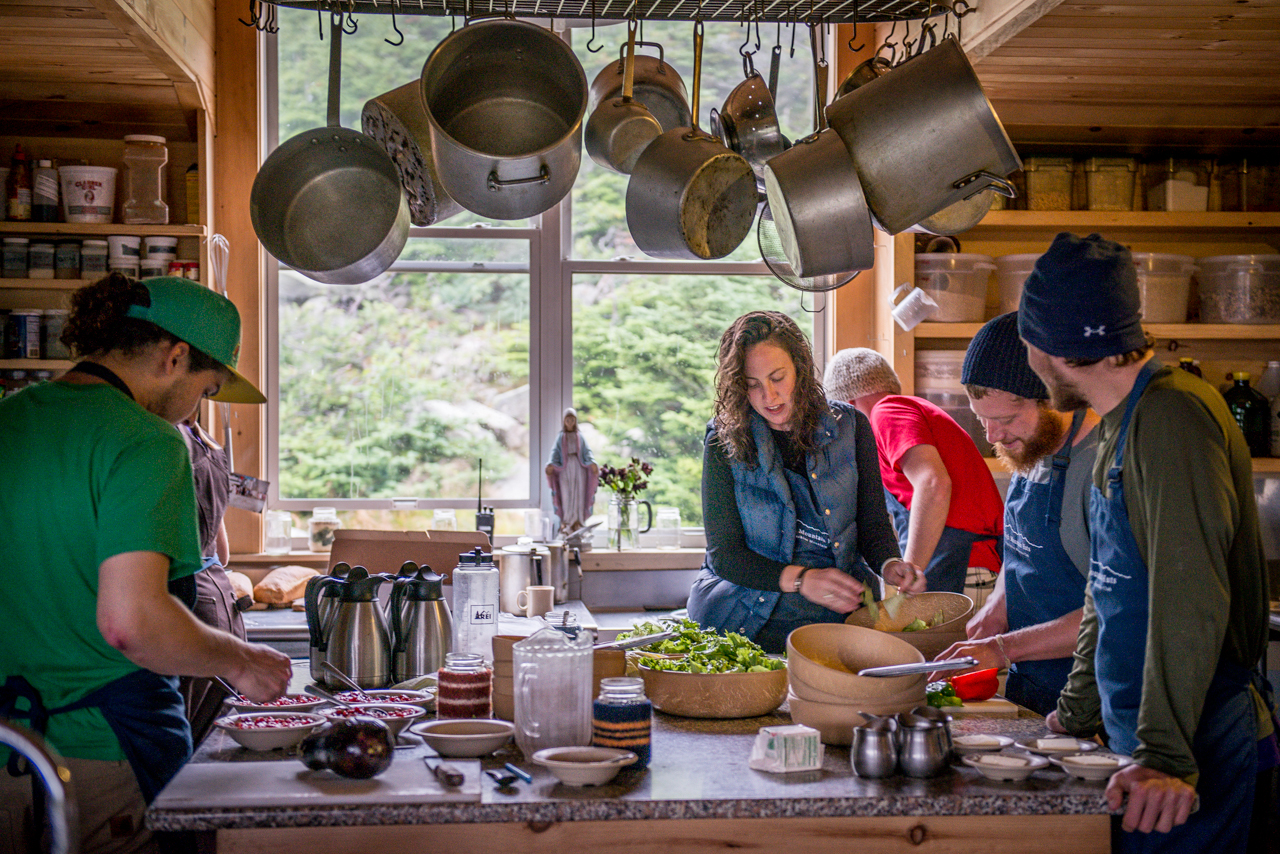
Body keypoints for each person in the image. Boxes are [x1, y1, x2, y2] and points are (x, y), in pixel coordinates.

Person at [0, 274, 293, 854]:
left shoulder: (12, 419)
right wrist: (240, 660)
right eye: (206, 390)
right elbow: (132, 622)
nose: (194, 411)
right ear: (175, 356)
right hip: (100, 753)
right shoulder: (147, 440)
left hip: (11, 745)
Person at [1018, 232, 1274, 850]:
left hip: (1192, 744)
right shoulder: (1119, 424)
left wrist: (1164, 755)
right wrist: (1078, 711)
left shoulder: (1172, 417)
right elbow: (1110, 587)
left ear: (1055, 346)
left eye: (1028, 340)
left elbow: (1190, 595)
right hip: (1144, 741)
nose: (1026, 356)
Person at [686, 311, 925, 654]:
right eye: (752, 385)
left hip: (840, 622)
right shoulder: (722, 439)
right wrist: (801, 580)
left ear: (799, 367)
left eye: (778, 377)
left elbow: (872, 524)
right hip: (742, 622)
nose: (769, 396)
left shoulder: (852, 427)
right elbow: (724, 556)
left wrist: (890, 564)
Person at [932, 311, 1100, 717]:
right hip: (1034, 685)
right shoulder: (1034, 446)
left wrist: (1003, 648)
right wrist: (999, 604)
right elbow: (1023, 549)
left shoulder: (1102, 467)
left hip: (1093, 699)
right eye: (982, 420)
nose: (992, 437)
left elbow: (1118, 609)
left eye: (1004, 419)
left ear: (1050, 398)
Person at [824, 348, 1004, 594]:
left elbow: (933, 483)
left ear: (847, 405)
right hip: (964, 569)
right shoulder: (910, 411)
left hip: (964, 568)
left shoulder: (887, 411)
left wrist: (911, 572)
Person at [178, 412, 253, 746]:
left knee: (182, 743)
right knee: (210, 738)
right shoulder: (209, 444)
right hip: (222, 601)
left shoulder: (161, 443)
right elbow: (222, 554)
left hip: (189, 605)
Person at [545, 407, 600, 536]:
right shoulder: (561, 437)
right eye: (567, 420)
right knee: (566, 495)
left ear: (575, 421)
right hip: (564, 470)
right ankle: (567, 522)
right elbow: (554, 453)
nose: (569, 422)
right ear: (564, 421)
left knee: (579, 494)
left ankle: (578, 522)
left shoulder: (580, 436)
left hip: (579, 469)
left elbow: (587, 452)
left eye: (572, 420)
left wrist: (592, 463)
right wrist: (551, 465)